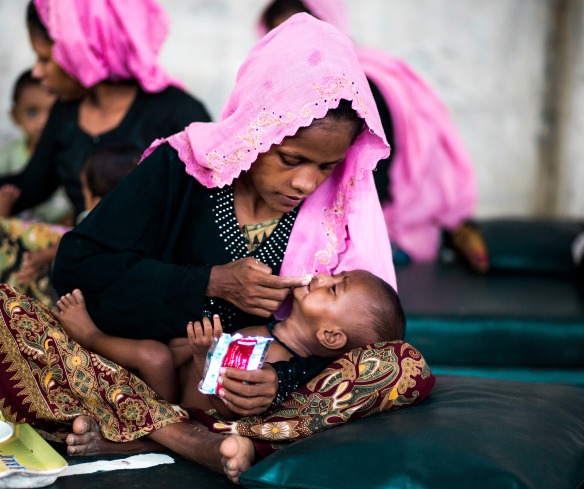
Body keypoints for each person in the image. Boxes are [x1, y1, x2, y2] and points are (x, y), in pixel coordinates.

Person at [1, 14, 402, 483]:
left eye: (327, 166)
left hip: (261, 405)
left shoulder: (340, 207)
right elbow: (77, 267)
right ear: (257, 127)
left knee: (400, 366)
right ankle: (185, 437)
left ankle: (158, 429)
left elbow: (370, 339)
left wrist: (281, 380)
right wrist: (210, 281)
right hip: (128, 371)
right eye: (291, 159)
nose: (305, 183)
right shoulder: (182, 168)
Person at [258, 0, 489, 273]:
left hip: (388, 216)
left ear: (328, 26)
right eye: (278, 36)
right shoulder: (288, 88)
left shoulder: (357, 88)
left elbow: (370, 182)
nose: (291, 46)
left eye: (302, 31)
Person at [52, 270, 406, 418]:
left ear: (330, 336)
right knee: (169, 345)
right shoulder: (272, 331)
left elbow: (218, 408)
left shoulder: (274, 359)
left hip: (180, 410)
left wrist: (202, 356)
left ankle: (90, 336)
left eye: (333, 288)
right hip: (179, 376)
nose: (322, 275)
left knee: (154, 355)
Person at [0, 0, 211, 221]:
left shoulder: (181, 116)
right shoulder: (65, 111)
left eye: (44, 59)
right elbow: (31, 185)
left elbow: (203, 212)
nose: (36, 72)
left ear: (81, 52)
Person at [10, 143, 141, 292]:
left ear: (97, 203)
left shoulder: (92, 226)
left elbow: (72, 243)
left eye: (84, 190)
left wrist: (44, 255)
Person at [0, 69, 72, 224]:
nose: (43, 122)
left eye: (52, 113)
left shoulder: (68, 154)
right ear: (15, 115)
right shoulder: (6, 155)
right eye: (32, 113)